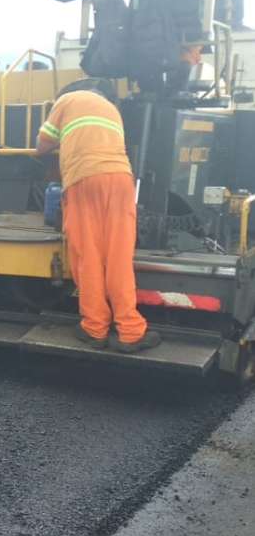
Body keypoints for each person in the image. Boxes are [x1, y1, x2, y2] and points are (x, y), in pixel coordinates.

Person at [35, 78, 161, 353]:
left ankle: (95, 329)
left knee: (88, 255)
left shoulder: (66, 101)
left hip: (84, 179)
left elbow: (42, 145)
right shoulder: (112, 110)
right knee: (118, 257)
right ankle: (130, 332)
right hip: (121, 179)